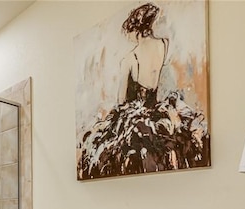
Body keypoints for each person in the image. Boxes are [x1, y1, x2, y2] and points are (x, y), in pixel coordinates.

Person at [77, 3, 209, 180]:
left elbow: (121, 100)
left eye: (129, 33)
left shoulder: (130, 59)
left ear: (135, 30)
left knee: (99, 150)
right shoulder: (165, 44)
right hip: (163, 111)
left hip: (138, 118)